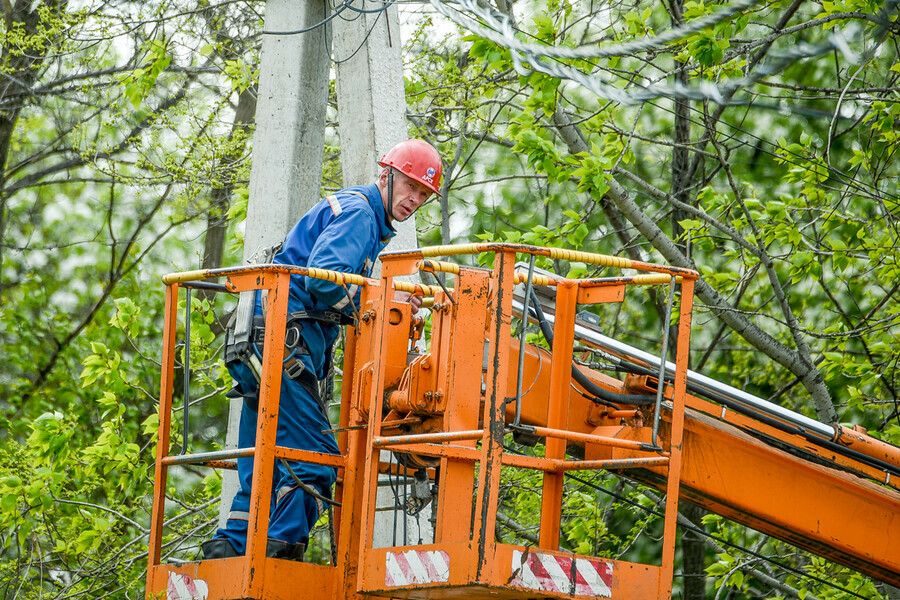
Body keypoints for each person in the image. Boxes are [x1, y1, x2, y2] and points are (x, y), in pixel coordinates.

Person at [201, 139, 443, 560]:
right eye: (409, 186)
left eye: (423, 194)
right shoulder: (361, 215)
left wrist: (387, 298)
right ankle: (281, 550)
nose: (414, 200)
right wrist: (387, 302)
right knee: (315, 457)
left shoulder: (359, 213)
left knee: (265, 451)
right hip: (281, 340)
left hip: (264, 337)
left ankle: (231, 545)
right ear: (385, 175)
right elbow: (324, 282)